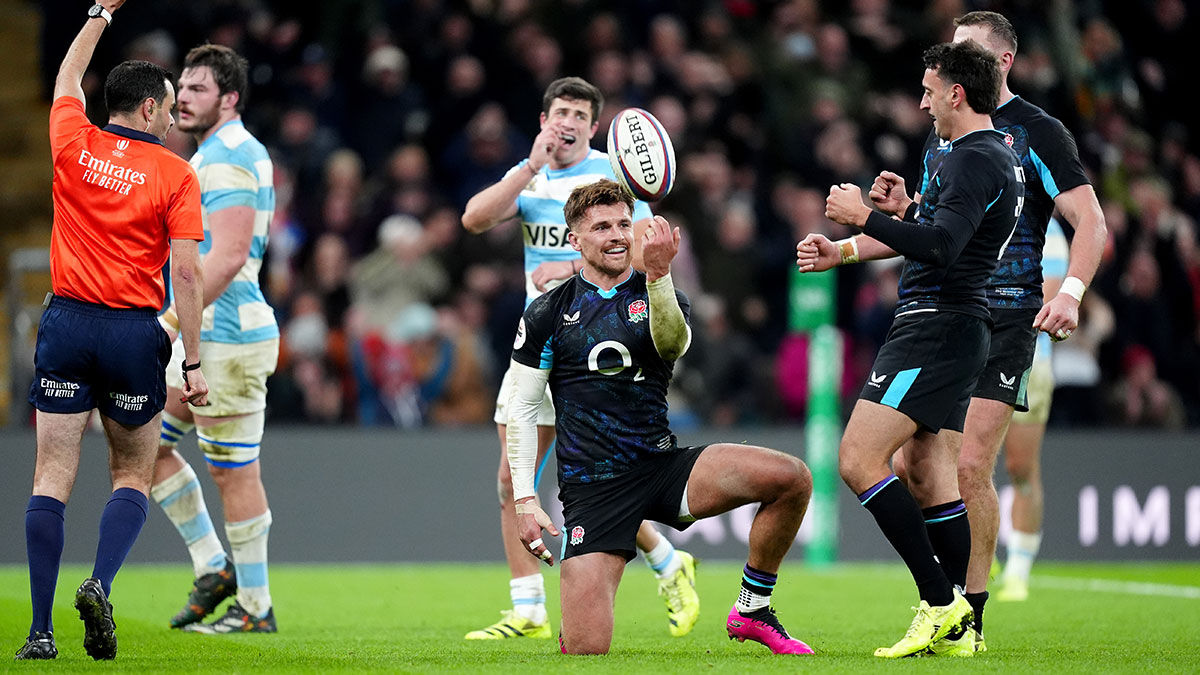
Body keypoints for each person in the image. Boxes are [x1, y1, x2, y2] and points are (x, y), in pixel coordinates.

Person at [811, 11, 1107, 648]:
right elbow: (940, 227)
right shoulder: (947, 137)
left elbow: (1091, 222)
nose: (945, 64)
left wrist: (1073, 293)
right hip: (952, 304)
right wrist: (879, 228)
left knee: (969, 464)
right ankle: (952, 618)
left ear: (995, 65)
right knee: (922, 465)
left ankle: (966, 613)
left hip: (1004, 314)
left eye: (960, 55)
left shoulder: (1035, 134)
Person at [510, 179, 815, 656]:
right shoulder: (549, 312)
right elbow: (523, 409)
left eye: (623, 224)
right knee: (586, 650)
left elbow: (672, 345)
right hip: (594, 489)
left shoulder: (659, 289)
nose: (615, 235)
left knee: (790, 477)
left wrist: (657, 278)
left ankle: (752, 609)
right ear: (575, 240)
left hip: (661, 466)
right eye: (601, 226)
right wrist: (526, 500)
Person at [799, 39, 1022, 657]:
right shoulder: (962, 155)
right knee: (924, 472)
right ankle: (963, 634)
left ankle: (941, 603)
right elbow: (944, 228)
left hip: (938, 327)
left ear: (956, 92)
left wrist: (862, 219)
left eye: (928, 91)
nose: (921, 103)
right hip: (948, 326)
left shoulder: (978, 157)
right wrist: (902, 213)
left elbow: (945, 249)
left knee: (857, 458)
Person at [461, 77, 699, 640]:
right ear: (544, 118)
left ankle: (545, 605)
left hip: (596, 346)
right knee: (511, 481)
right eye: (559, 112)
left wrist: (566, 270)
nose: (566, 122)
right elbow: (473, 219)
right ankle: (538, 606)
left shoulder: (613, 177)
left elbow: (639, 252)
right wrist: (527, 166)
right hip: (538, 344)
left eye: (578, 115)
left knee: (595, 479)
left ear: (594, 127)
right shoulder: (530, 172)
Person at [16, 0, 209, 660]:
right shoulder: (177, 175)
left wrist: (99, 11)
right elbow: (186, 275)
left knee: (51, 475)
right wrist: (193, 361)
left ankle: (41, 631)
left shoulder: (75, 141)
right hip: (132, 331)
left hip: (68, 321)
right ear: (153, 109)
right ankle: (99, 582)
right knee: (132, 473)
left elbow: (67, 79)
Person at [148, 43, 280, 633]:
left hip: (224, 338)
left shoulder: (228, 156)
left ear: (228, 98)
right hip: (210, 335)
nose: (183, 96)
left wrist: (172, 323)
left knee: (233, 473)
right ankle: (213, 568)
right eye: (182, 86)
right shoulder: (218, 154)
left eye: (197, 88)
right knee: (140, 439)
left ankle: (256, 607)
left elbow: (224, 260)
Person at [995, 217, 1067, 601]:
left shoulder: (1048, 233)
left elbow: (1046, 300)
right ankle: (973, 549)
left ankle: (1018, 570)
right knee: (961, 463)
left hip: (1028, 360)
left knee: (1020, 468)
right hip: (975, 355)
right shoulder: (980, 211)